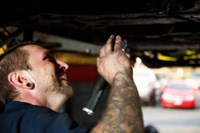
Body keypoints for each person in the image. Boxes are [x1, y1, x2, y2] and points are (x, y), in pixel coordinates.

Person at [0, 35, 144, 133]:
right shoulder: (31, 120)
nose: (64, 65)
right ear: (21, 80)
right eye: (48, 59)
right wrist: (120, 74)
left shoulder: (15, 121)